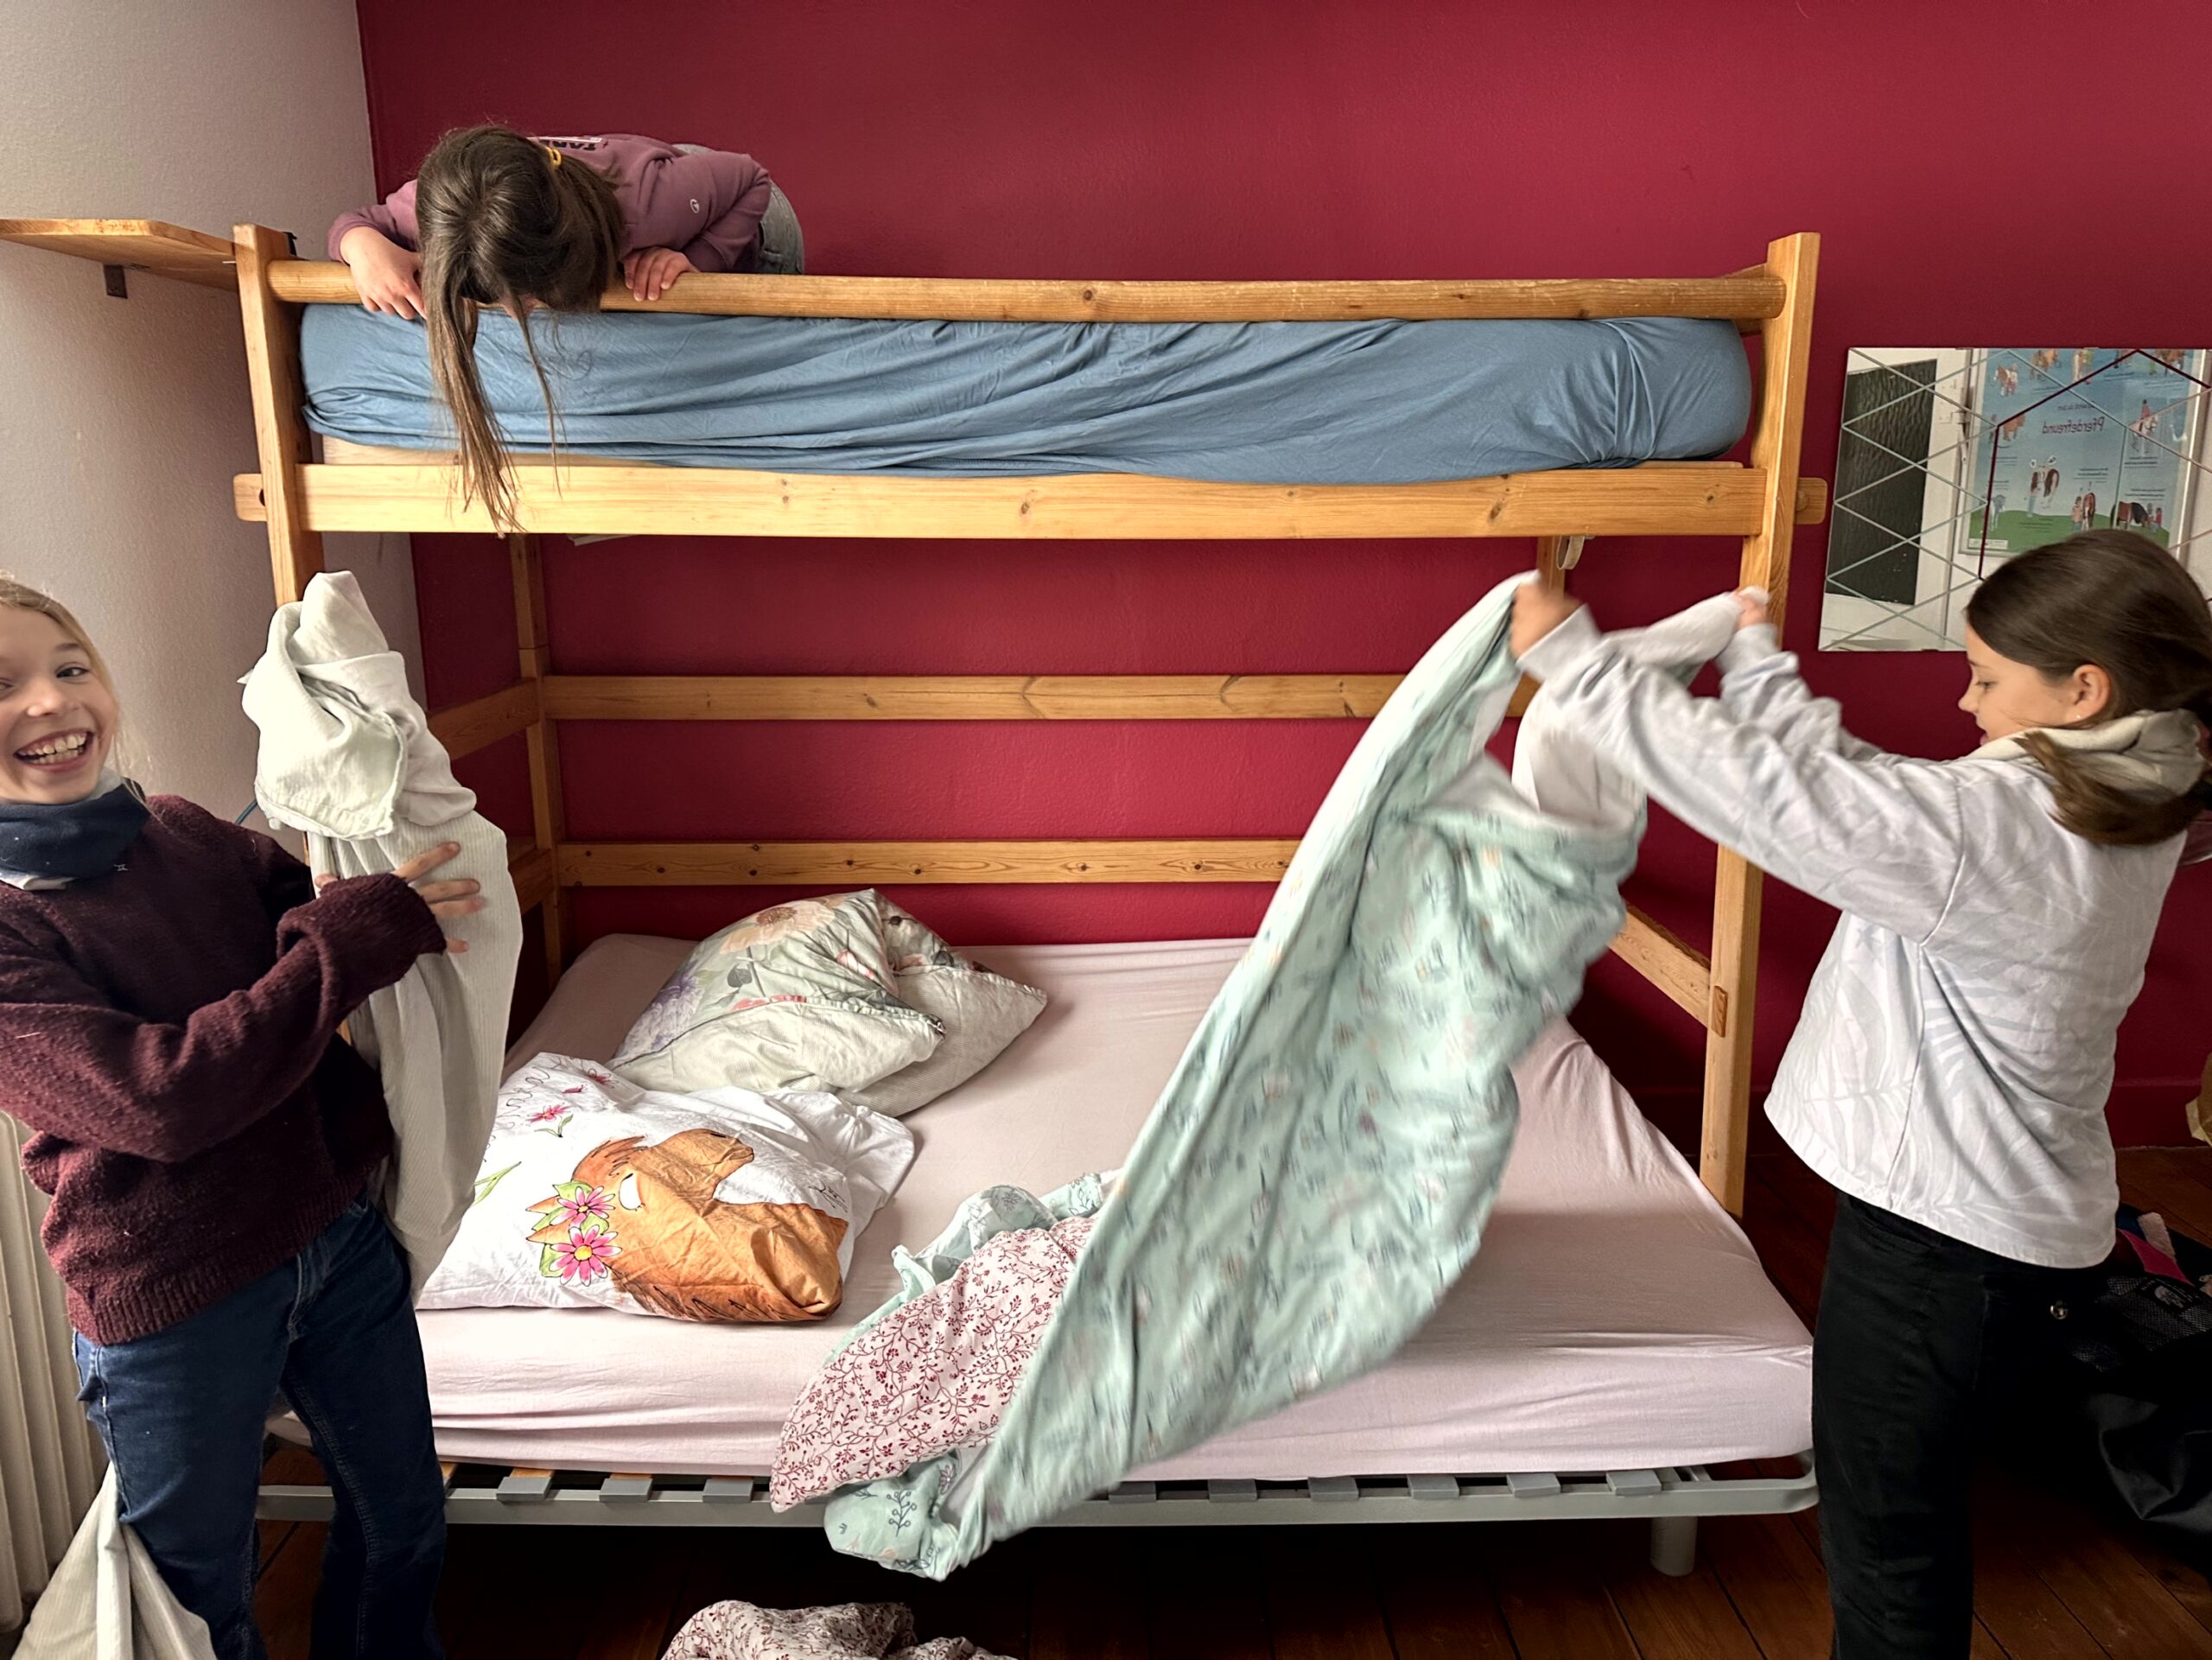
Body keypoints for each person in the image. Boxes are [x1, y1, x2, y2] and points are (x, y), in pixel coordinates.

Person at [1507, 530, 2212, 1659]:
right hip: (2006, 1225)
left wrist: (1579, 665)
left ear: (2084, 690)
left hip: (1941, 1245)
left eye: (1986, 678)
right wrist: (1755, 662)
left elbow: (1789, 806)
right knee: (1911, 1514)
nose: (1967, 699)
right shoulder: (2144, 776)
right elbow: (1862, 798)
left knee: (1889, 1550)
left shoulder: (2009, 825)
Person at [0, 575, 483, 1659]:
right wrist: (344, 941)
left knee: (404, 1523)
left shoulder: (179, 831)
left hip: (331, 1237)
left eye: (69, 667)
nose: (50, 700)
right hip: (174, 1290)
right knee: (197, 1595)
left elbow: (326, 904)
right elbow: (156, 1098)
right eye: (2, 685)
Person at [329, 125, 801, 527]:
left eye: (529, 296)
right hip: (561, 187)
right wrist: (361, 246)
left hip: (743, 213)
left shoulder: (648, 205)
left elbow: (751, 178)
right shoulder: (434, 212)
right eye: (493, 298)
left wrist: (695, 259)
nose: (514, 315)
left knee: (703, 305)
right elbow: (355, 223)